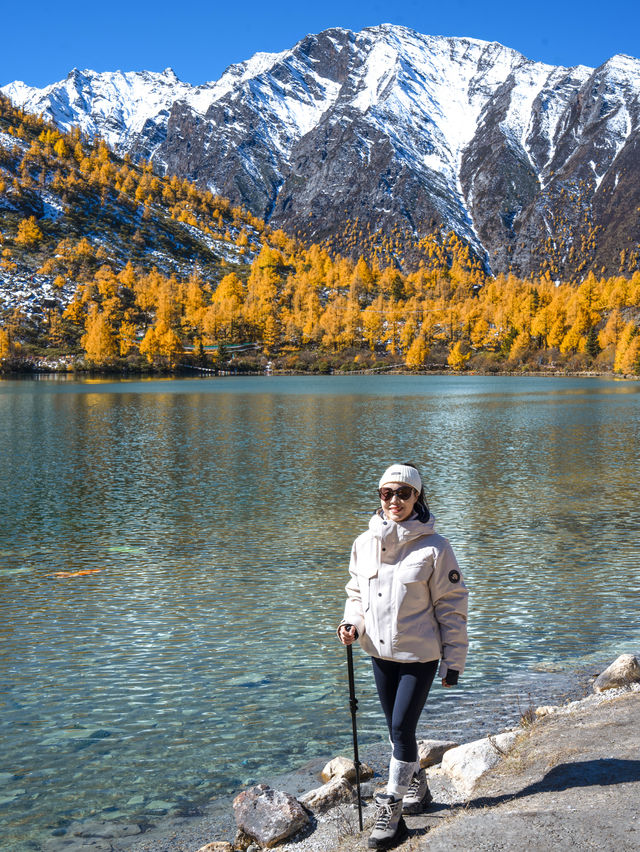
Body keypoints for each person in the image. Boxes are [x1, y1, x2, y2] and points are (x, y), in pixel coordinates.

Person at [338, 463, 468, 849]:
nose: (394, 500)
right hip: (378, 653)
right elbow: (356, 595)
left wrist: (453, 661)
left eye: (403, 493)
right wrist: (351, 625)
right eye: (386, 493)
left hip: (420, 655)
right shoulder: (363, 543)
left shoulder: (436, 547)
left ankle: (392, 813)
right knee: (399, 733)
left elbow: (452, 607)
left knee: (400, 730)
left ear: (417, 497)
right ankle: (419, 787)